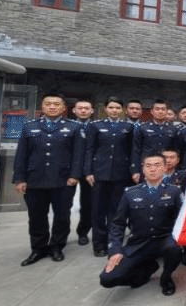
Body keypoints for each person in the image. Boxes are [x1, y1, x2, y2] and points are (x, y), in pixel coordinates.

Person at [13, 92, 84, 266]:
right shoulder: (29, 126)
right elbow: (21, 154)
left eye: (56, 104)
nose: (52, 107)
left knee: (62, 217)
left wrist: (75, 175)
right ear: (42, 106)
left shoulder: (74, 127)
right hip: (34, 179)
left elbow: (78, 155)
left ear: (64, 108)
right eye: (48, 103)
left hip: (63, 180)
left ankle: (57, 246)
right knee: (36, 217)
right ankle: (38, 248)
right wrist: (20, 179)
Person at [100, 153, 182, 295]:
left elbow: (182, 219)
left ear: (164, 168)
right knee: (107, 279)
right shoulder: (130, 193)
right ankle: (146, 270)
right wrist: (115, 250)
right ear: (143, 169)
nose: (152, 169)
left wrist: (180, 241)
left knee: (174, 249)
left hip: (164, 240)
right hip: (139, 243)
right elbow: (118, 224)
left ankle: (166, 277)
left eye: (157, 165)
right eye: (148, 166)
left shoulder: (174, 191)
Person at [84, 96, 135, 257]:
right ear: (105, 109)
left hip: (120, 174)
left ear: (122, 110)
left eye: (117, 108)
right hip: (99, 173)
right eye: (111, 107)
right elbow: (89, 149)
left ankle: (114, 243)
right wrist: (88, 171)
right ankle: (99, 244)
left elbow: (131, 151)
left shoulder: (128, 127)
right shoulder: (95, 126)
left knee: (117, 211)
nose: (114, 110)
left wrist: (132, 170)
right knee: (98, 210)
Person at [130, 100, 178, 183]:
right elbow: (136, 150)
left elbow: (176, 150)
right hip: (147, 166)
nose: (160, 111)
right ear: (152, 111)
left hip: (166, 167)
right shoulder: (142, 128)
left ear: (167, 111)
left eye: (163, 109)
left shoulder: (173, 129)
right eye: (157, 109)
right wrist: (135, 170)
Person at [161, 148, 186, 265]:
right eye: (165, 157)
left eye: (172, 157)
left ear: (178, 160)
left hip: (177, 210)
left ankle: (184, 251)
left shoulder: (184, 175)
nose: (168, 160)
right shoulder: (152, 174)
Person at [71, 98, 94, 246]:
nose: (83, 110)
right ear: (74, 110)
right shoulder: (68, 126)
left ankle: (83, 232)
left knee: (87, 204)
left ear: (92, 111)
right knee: (63, 206)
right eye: (80, 108)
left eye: (87, 108)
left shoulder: (96, 127)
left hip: (89, 171)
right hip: (69, 171)